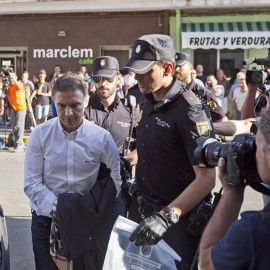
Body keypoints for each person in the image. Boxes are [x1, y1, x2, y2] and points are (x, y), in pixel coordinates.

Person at [123, 34, 216, 270]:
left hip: (176, 223)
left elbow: (206, 178)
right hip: (143, 212)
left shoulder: (190, 111)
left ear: (167, 68)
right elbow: (152, 147)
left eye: (145, 70)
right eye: (135, 70)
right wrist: (128, 160)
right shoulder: (146, 100)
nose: (137, 77)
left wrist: (167, 216)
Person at [24, 72, 121, 270]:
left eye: (75, 105)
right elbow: (31, 184)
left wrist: (89, 208)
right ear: (54, 103)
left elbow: (116, 181)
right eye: (61, 106)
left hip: (86, 222)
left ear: (86, 101)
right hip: (46, 222)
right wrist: (62, 209)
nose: (68, 113)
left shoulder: (102, 138)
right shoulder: (39, 135)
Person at [199, 107, 270, 270]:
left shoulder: (255, 231)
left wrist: (232, 192)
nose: (254, 154)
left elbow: (207, 262)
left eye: (256, 145)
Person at [84, 56, 138, 269]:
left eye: (107, 79)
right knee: (87, 243)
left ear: (118, 79)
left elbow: (141, 147)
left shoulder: (131, 109)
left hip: (117, 188)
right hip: (86, 187)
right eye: (97, 78)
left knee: (112, 243)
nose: (102, 84)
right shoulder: (84, 107)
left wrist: (125, 161)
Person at [175, 52, 227, 123]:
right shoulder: (169, 92)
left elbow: (222, 120)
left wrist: (206, 129)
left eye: (180, 66)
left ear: (191, 68)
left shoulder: (203, 94)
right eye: (175, 66)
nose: (177, 69)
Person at [6, 72, 27, 152]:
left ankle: (20, 144)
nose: (11, 79)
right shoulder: (9, 87)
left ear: (16, 78)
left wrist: (14, 78)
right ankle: (15, 144)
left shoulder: (20, 84)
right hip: (13, 109)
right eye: (10, 78)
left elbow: (19, 87)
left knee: (19, 126)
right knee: (14, 127)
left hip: (21, 108)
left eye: (12, 78)